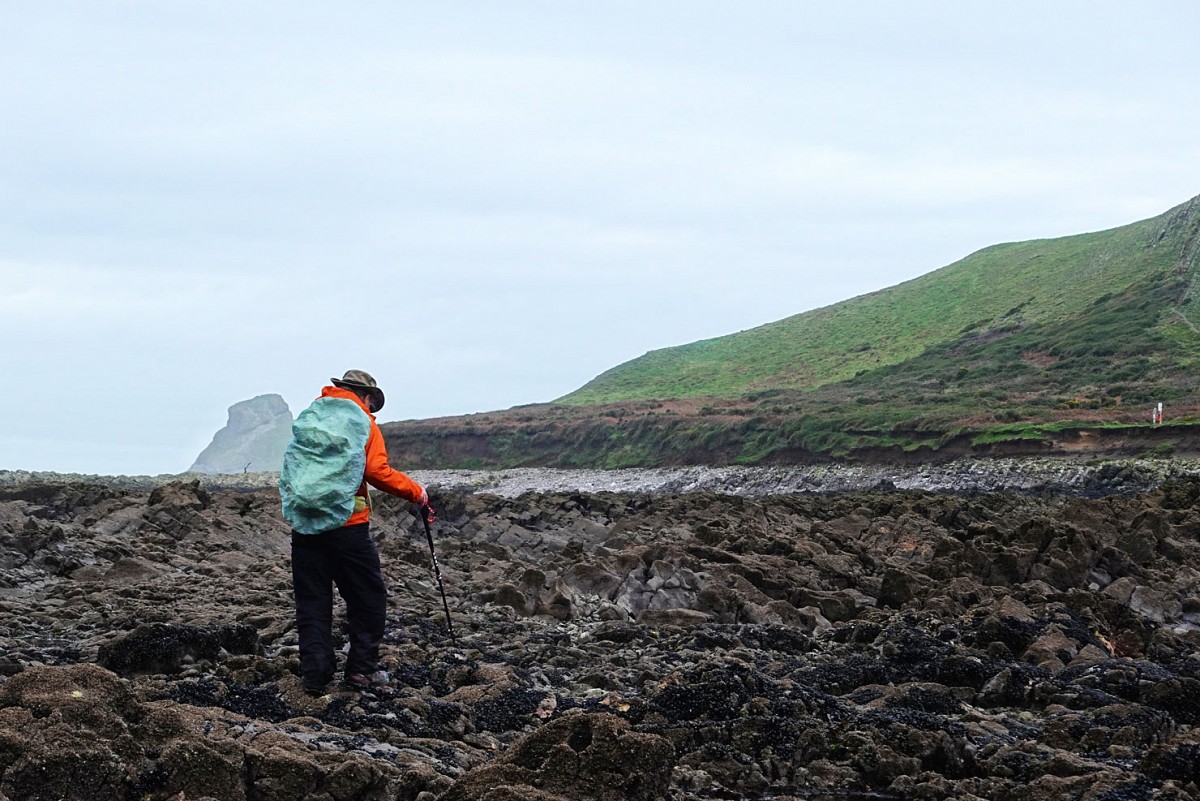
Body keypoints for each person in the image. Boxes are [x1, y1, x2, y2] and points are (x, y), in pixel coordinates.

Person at [285, 369, 430, 695]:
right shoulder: (362, 422)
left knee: (313, 601)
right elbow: (376, 471)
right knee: (368, 599)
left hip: (305, 525)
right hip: (347, 528)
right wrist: (416, 492)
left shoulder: (313, 418)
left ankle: (314, 675)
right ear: (366, 397)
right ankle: (360, 673)